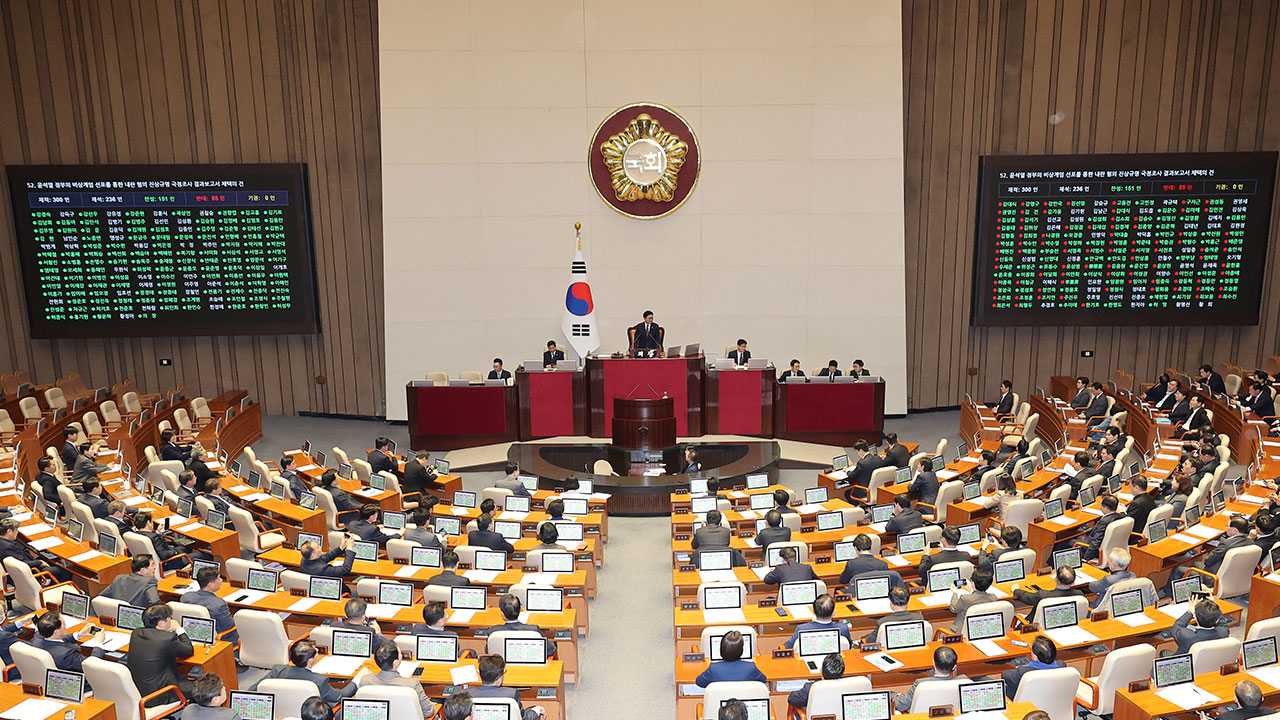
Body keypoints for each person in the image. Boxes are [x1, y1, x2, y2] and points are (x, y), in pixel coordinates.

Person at [129, 604, 196, 705]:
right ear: (161, 623)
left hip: (138, 689)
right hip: (160, 694)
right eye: (169, 618)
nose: (171, 620)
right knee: (201, 687)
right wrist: (178, 628)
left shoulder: (136, 633)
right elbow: (188, 650)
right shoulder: (167, 639)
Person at [258, 639, 359, 704]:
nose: (318, 651)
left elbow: (254, 689)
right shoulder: (319, 681)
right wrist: (356, 681)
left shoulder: (277, 670)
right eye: (316, 652)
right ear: (310, 660)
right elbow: (339, 696)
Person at [362, 640, 437, 716]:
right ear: (395, 663)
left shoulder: (365, 681)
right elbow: (429, 711)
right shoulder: (412, 685)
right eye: (400, 653)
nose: (401, 654)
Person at [471, 656, 549, 720]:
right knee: (533, 708)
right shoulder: (511, 694)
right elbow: (523, 718)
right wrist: (538, 710)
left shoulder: (466, 694)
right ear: (498, 678)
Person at [894, 646, 968, 712]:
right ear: (954, 667)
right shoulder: (965, 681)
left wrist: (895, 697)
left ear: (933, 663)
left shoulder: (921, 684)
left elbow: (901, 706)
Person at [180, 565, 238, 645]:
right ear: (210, 584)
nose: (221, 580)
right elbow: (230, 628)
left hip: (194, 635)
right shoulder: (219, 604)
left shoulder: (186, 597)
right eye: (219, 578)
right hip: (221, 639)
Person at [0, 517, 72, 582]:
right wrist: (39, 562)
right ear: (9, 531)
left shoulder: (3, 542)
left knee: (52, 560)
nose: (17, 532)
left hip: (25, 565)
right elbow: (22, 564)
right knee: (64, 571)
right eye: (16, 529)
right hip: (29, 571)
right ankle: (55, 587)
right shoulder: (8, 547)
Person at [33, 609, 104, 672]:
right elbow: (89, 665)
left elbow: (56, 641)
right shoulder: (66, 655)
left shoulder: (37, 639)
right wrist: (98, 644)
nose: (65, 625)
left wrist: (79, 635)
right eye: (63, 624)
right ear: (56, 631)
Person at [487, 594, 555, 657]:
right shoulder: (534, 630)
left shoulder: (493, 631)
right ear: (520, 609)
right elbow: (550, 650)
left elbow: (488, 650)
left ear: (502, 614)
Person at [695, 631, 767, 687]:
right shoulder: (751, 667)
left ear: (721, 649)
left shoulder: (713, 668)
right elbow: (763, 680)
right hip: (742, 705)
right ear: (741, 650)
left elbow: (699, 682)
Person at [783, 594, 852, 648]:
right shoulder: (843, 628)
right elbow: (848, 645)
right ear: (833, 613)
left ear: (813, 611)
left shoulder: (801, 628)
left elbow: (789, 646)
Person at [1012, 566, 1084, 616]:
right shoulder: (1079, 595)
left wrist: (1016, 590)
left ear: (1056, 578)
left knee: (1014, 614)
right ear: (1073, 583)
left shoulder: (1043, 596)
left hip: (1038, 625)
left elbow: (1026, 597)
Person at [1079, 495, 1125, 561]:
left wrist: (1086, 558)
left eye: (1101, 505)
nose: (1100, 507)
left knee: (1066, 542)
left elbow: (1095, 543)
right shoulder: (1120, 516)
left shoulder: (1104, 522)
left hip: (1094, 551)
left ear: (1105, 508)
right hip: (1111, 548)